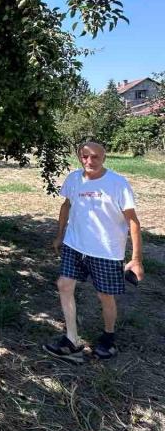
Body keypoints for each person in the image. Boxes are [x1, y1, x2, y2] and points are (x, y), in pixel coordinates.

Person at [43, 140, 144, 363]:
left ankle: (108, 337)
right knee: (64, 284)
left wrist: (136, 259)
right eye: (85, 156)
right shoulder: (74, 179)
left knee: (105, 296)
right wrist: (60, 234)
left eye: (95, 157)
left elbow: (133, 222)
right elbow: (67, 205)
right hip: (75, 245)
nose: (89, 161)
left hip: (106, 251)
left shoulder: (118, 184)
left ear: (104, 157)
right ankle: (71, 339)